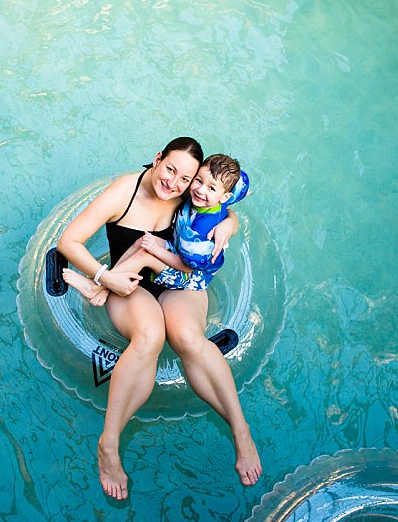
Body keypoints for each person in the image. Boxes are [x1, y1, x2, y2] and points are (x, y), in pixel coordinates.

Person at [56, 138, 262, 500]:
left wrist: (230, 224)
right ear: (157, 159)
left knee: (187, 337)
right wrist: (105, 278)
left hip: (177, 281)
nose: (175, 184)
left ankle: (240, 430)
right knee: (149, 336)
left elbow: (221, 202)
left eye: (186, 179)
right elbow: (68, 241)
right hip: (129, 284)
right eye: (170, 169)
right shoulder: (126, 190)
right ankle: (109, 443)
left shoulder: (189, 191)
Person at [63, 154, 249, 306]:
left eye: (210, 188)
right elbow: (241, 189)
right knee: (143, 241)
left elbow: (186, 266)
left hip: (190, 277)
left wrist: (156, 250)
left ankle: (98, 286)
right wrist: (231, 220)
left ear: (224, 196)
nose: (201, 190)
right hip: (179, 250)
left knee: (146, 250)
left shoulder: (200, 233)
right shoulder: (211, 195)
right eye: (198, 181)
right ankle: (106, 281)